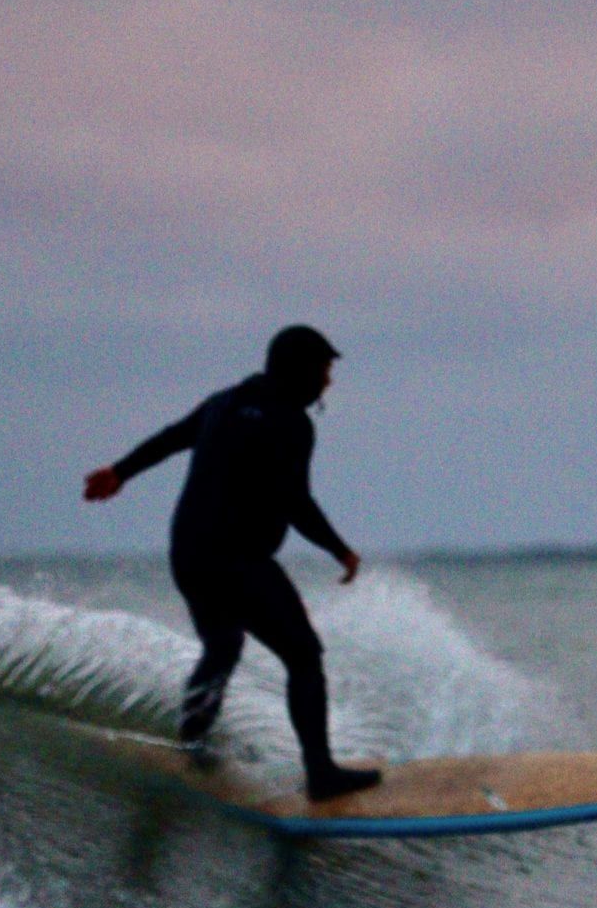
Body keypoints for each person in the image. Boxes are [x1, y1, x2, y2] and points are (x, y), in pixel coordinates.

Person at [83, 325, 382, 801]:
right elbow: (295, 502)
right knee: (304, 656)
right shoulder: (291, 423)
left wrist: (120, 471)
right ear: (302, 370)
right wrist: (339, 550)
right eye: (325, 369)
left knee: (222, 645)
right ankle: (321, 774)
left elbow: (170, 439)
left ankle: (192, 746)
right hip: (237, 560)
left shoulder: (223, 403)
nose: (329, 381)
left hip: (188, 553)